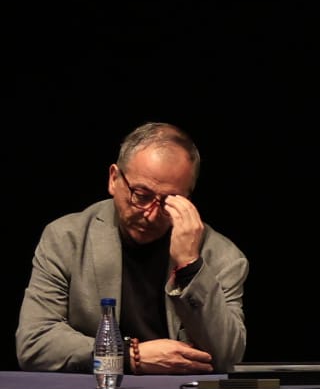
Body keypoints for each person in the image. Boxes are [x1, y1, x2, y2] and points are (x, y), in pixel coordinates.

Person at [16, 121, 249, 374]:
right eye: (141, 194)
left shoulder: (223, 257)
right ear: (114, 179)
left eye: (169, 201)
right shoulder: (66, 239)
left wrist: (190, 267)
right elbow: (34, 342)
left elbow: (226, 356)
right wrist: (127, 355)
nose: (150, 214)